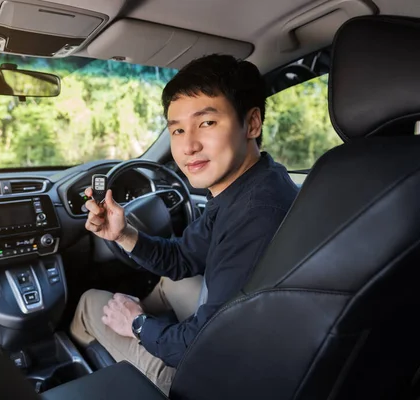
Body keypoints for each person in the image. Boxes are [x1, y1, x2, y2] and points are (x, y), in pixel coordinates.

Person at [69, 54, 299, 394]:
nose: (188, 146)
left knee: (90, 302)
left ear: (252, 124)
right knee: (169, 281)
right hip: (257, 339)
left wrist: (136, 324)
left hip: (217, 378)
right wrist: (123, 234)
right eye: (177, 129)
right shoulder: (256, 183)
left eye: (206, 123)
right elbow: (182, 259)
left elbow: (204, 345)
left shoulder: (256, 213)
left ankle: (95, 380)